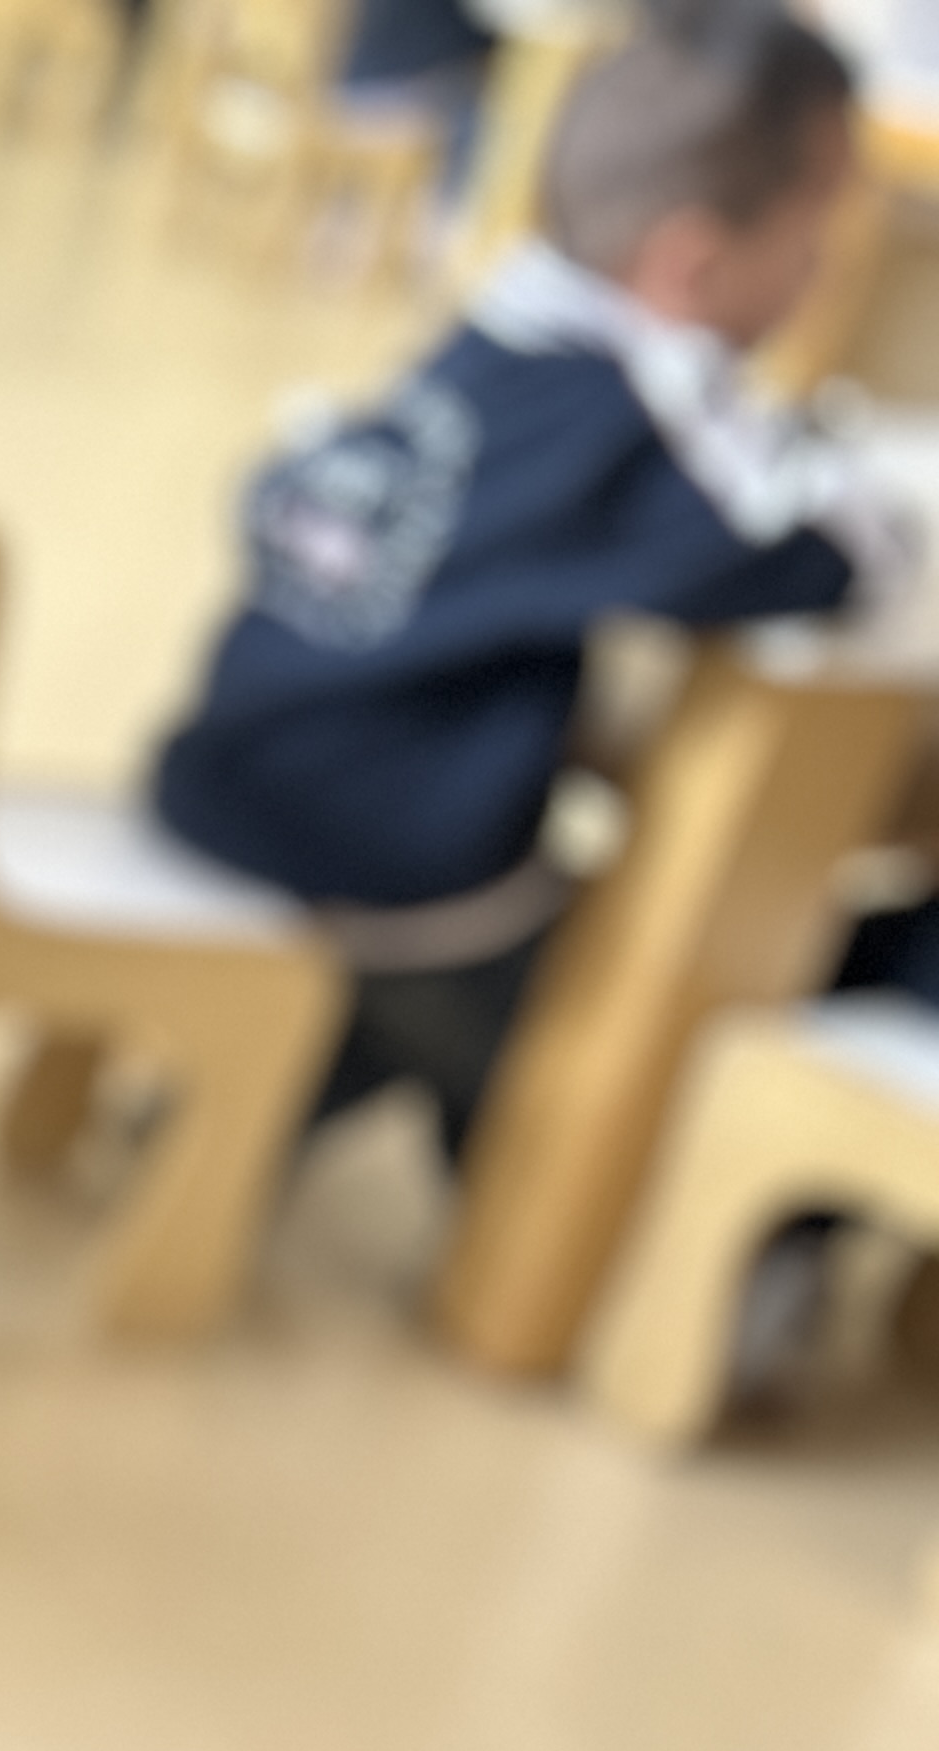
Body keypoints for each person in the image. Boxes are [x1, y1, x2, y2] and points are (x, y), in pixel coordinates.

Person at [149, 2, 915, 1170]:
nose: (824, 275)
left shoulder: (493, 331)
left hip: (227, 773)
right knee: (582, 1035)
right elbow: (813, 557)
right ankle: (475, 1201)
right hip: (388, 860)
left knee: (513, 934)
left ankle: (236, 1122)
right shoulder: (633, 409)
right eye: (813, 239)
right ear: (693, 265)